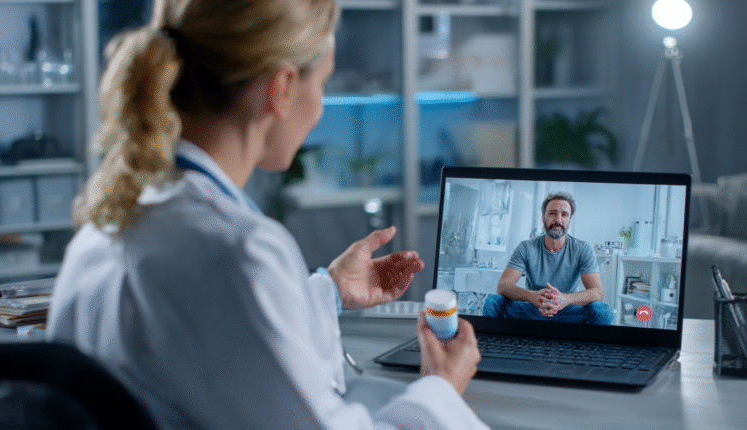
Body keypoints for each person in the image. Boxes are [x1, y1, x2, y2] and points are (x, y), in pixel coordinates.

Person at [46, 1, 488, 429]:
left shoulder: (110, 220)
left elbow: (223, 348)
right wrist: (441, 390)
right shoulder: (237, 251)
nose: (318, 107)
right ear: (283, 88)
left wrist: (331, 291)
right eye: (323, 84)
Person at [482, 191, 613, 325]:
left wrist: (564, 299)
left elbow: (597, 293)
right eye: (552, 213)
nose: (558, 220)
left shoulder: (582, 249)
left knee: (602, 311)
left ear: (569, 220)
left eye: (564, 215)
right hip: (532, 309)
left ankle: (589, 347)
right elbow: (503, 286)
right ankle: (497, 345)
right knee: (492, 302)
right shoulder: (526, 247)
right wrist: (532, 296)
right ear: (543, 218)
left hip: (567, 312)